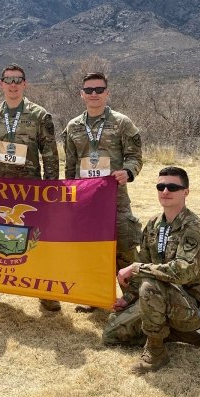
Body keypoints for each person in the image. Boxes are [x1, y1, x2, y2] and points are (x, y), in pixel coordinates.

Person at [0, 63, 61, 312]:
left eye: (18, 80)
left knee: (37, 239)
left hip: (31, 190)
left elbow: (50, 155)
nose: (13, 85)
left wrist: (52, 191)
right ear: (1, 84)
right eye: (9, 80)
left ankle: (45, 291)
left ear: (25, 84)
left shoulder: (40, 116)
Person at [102, 166, 200, 372]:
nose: (165, 191)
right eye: (161, 186)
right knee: (111, 334)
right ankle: (172, 333)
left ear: (185, 192)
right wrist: (126, 299)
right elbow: (145, 262)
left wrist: (137, 268)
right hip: (158, 297)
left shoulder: (194, 229)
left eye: (172, 187)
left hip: (190, 309)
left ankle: (156, 352)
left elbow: (183, 271)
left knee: (149, 284)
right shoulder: (154, 224)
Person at [61, 72, 143, 312]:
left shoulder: (122, 123)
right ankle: (94, 297)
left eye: (99, 89)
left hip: (114, 199)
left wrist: (128, 172)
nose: (94, 94)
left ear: (107, 92)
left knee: (125, 249)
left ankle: (134, 300)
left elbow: (135, 156)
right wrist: (70, 197)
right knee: (91, 251)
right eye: (89, 90)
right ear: (82, 94)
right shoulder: (73, 126)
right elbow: (70, 165)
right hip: (86, 202)